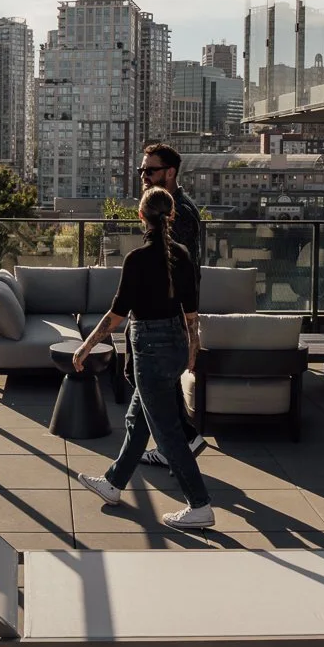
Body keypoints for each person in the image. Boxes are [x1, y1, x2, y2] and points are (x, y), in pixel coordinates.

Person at [74, 186, 214, 530]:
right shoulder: (181, 254)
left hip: (149, 346)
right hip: (176, 343)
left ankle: (200, 505)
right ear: (171, 216)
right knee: (138, 420)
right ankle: (113, 483)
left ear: (140, 216)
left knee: (166, 433)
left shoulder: (136, 259)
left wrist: (85, 346)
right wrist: (193, 350)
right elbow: (191, 312)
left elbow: (117, 314)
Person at [135, 143, 208, 468]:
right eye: (142, 170)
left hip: (168, 315)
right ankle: (170, 442)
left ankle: (182, 440)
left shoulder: (180, 213)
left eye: (150, 170)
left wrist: (184, 321)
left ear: (170, 172)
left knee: (149, 379)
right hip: (161, 312)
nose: (144, 176)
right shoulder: (165, 206)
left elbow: (183, 271)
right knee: (149, 380)